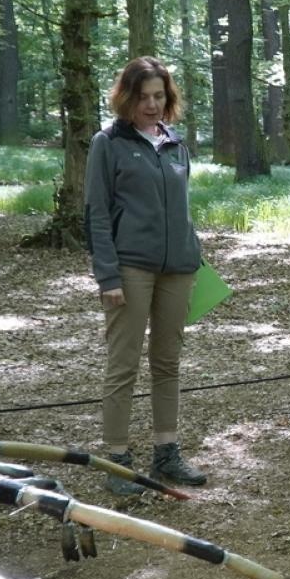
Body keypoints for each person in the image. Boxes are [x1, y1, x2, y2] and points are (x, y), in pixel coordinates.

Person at [84, 56, 206, 494]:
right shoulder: (108, 142)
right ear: (126, 98)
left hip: (179, 269)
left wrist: (195, 257)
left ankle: (167, 451)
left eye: (159, 96)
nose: (152, 105)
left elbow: (183, 211)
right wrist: (108, 277)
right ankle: (117, 461)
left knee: (168, 362)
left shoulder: (175, 143)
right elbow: (97, 215)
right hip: (130, 268)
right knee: (123, 365)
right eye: (143, 97)